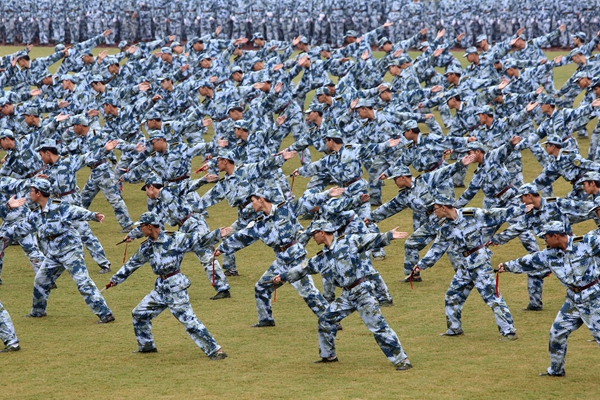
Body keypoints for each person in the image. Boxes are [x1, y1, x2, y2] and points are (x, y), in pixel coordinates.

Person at [272, 220, 413, 371]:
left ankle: (402, 360)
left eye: (314, 233)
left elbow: (369, 239)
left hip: (362, 292)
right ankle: (328, 356)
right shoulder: (323, 256)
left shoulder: (348, 241)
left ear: (322, 232)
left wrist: (389, 235)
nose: (312, 237)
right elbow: (305, 267)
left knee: (378, 327)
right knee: (326, 319)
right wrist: (283, 276)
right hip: (347, 295)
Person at [104, 212, 231, 358]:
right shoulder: (147, 247)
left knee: (189, 321)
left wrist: (217, 233)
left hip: (176, 287)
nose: (139, 229)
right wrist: (115, 280)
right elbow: (132, 264)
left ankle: (215, 350)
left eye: (141, 226)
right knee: (139, 314)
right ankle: (146, 347)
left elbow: (198, 239)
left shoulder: (175, 239)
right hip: (161, 287)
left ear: (150, 226)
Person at [411, 195, 526, 340]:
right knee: (452, 295)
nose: (434, 212)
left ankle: (509, 331)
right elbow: (437, 248)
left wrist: (522, 209)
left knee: (492, 297)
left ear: (443, 207)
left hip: (480, 263)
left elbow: (496, 214)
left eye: (435, 209)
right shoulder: (445, 227)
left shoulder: (471, 215)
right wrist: (421, 265)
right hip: (465, 265)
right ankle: (454, 328)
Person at [0, 178, 115, 323]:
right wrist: (3, 236)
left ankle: (105, 314)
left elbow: (76, 211)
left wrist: (93, 215)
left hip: (70, 250)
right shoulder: (35, 213)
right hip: (53, 254)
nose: (29, 194)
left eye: (32, 191)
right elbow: (21, 228)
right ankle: (38, 312)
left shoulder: (59, 206)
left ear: (39, 193)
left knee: (83, 282)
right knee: (41, 281)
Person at [498, 221, 600, 377]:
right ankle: (556, 370)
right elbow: (529, 261)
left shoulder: (586, 242)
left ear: (556, 236)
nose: (544, 240)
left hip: (594, 299)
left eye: (545, 237)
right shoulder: (549, 254)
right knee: (556, 333)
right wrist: (506, 266)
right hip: (573, 300)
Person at [215, 189, 329, 328]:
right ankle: (266, 320)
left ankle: (331, 319)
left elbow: (307, 201)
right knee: (261, 287)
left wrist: (328, 193)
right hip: (280, 261)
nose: (251, 205)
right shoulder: (259, 224)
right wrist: (222, 248)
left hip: (295, 259)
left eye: (253, 201)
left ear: (261, 199)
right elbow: (242, 236)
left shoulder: (285, 208)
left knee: (308, 292)